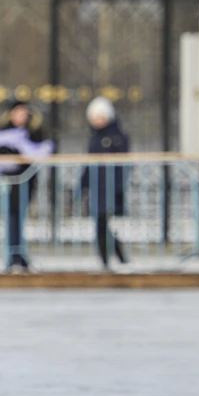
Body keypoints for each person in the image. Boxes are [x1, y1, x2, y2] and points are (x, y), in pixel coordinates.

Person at [0, 99, 54, 273]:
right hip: (6, 184)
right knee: (10, 217)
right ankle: (12, 255)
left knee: (19, 217)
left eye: (25, 113)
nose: (22, 116)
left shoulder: (33, 133)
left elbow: (41, 151)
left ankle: (18, 252)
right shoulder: (2, 133)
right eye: (19, 112)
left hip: (25, 183)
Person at [81, 97, 130, 270]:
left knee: (106, 223)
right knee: (100, 223)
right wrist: (83, 185)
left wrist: (118, 186)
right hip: (97, 187)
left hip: (111, 187)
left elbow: (121, 165)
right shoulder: (94, 137)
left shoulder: (117, 137)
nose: (98, 121)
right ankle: (108, 259)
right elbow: (89, 163)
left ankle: (117, 258)